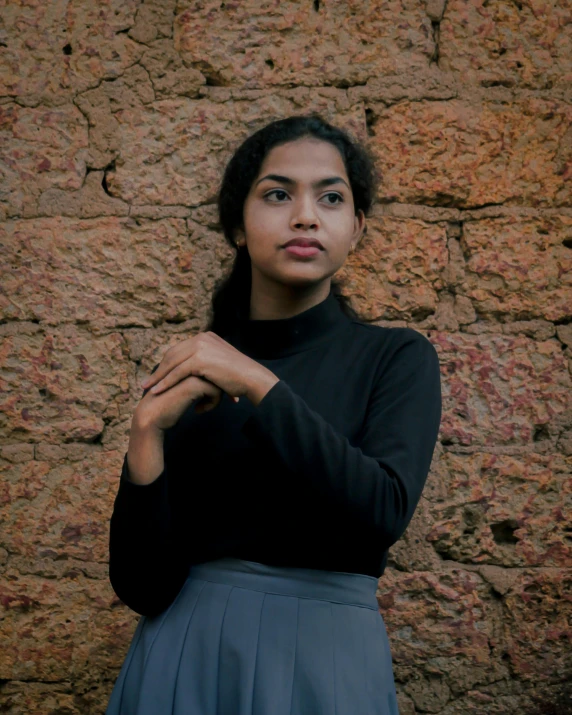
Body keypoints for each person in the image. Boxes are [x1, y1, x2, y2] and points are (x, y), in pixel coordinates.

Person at [105, 114, 442, 714]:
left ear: (357, 228)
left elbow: (381, 512)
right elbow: (143, 586)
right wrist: (145, 436)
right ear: (238, 225)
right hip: (184, 659)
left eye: (331, 198)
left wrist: (260, 383)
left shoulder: (396, 356)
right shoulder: (194, 376)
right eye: (279, 194)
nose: (306, 216)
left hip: (326, 664)